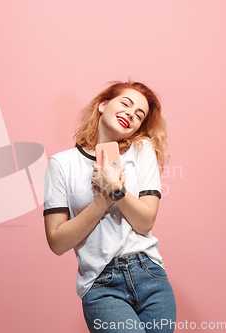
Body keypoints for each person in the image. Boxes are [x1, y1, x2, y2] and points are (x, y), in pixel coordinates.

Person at [43, 80, 176, 333]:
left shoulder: (142, 150)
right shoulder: (61, 164)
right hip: (102, 284)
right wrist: (100, 203)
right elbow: (57, 242)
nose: (131, 114)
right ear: (103, 105)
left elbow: (145, 221)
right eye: (126, 103)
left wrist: (116, 191)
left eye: (139, 115)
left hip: (150, 275)